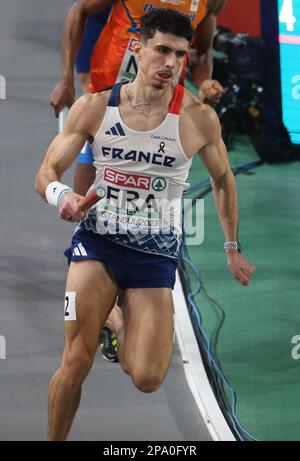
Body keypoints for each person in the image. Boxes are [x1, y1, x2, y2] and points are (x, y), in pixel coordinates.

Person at [36, 9, 255, 440]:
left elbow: (223, 180)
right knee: (75, 361)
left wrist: (232, 247)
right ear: (138, 48)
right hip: (97, 244)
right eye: (161, 50)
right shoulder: (95, 107)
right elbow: (46, 171)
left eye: (179, 53)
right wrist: (63, 198)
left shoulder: (198, 119)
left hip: (154, 259)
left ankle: (113, 320)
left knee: (147, 376)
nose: (170, 63)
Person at [50, 0, 227, 361]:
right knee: (91, 209)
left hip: (158, 111)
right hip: (108, 95)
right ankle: (105, 309)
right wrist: (67, 77)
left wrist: (204, 80)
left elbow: (200, 52)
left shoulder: (207, 2)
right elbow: (79, 11)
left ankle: (123, 303)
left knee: (137, 205)